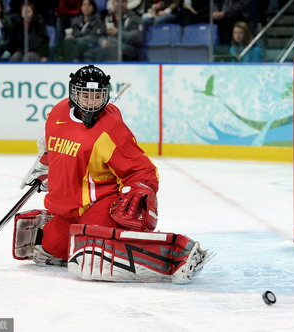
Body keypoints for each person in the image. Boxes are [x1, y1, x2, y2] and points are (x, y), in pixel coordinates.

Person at [14, 65, 212, 283]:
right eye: (85, 95)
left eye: (97, 96)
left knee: (91, 251)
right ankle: (63, 228)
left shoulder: (111, 130)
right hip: (67, 209)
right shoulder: (57, 114)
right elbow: (51, 149)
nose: (91, 102)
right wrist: (44, 167)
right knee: (51, 246)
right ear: (73, 94)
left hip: (100, 204)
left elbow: (142, 170)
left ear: (105, 96)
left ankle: (172, 256)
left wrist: (140, 190)